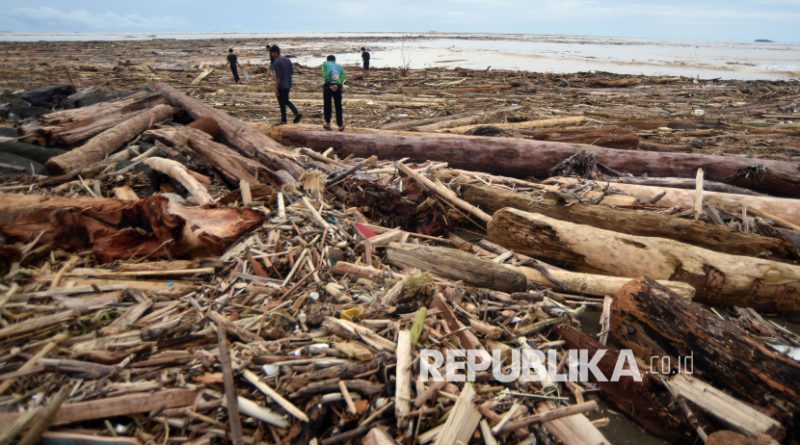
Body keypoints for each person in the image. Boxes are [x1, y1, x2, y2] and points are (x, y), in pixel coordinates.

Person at [269, 45, 302, 124]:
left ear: (276, 52)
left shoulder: (276, 62)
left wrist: (276, 87)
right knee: (286, 100)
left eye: (272, 53)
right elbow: (291, 73)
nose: (271, 55)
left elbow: (278, 77)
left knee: (282, 103)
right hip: (288, 84)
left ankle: (284, 120)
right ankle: (296, 113)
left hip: (281, 85)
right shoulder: (288, 60)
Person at [321, 55, 346, 131]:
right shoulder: (339, 66)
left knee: (327, 105)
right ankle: (340, 125)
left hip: (328, 86)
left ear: (328, 59)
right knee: (338, 106)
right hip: (338, 87)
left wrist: (329, 84)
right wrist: (337, 84)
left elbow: (325, 74)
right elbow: (343, 75)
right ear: (335, 60)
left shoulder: (325, 64)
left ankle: (328, 123)